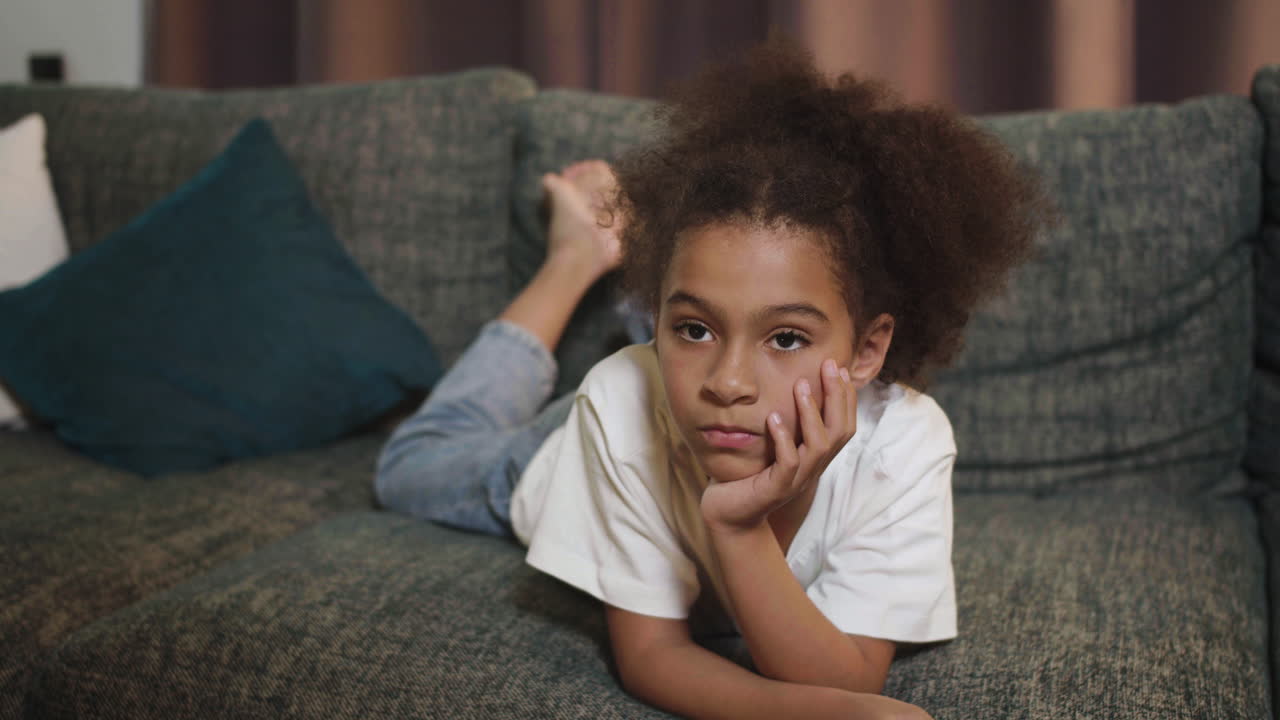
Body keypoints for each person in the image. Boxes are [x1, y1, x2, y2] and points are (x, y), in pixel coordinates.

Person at [376, 39, 1045, 720]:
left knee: (704, 339)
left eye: (787, 337)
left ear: (868, 349)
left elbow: (851, 673)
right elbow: (652, 657)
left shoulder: (903, 443)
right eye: (693, 327)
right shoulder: (618, 408)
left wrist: (736, 526)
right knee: (409, 464)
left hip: (674, 411)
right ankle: (576, 260)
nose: (729, 382)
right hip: (585, 444)